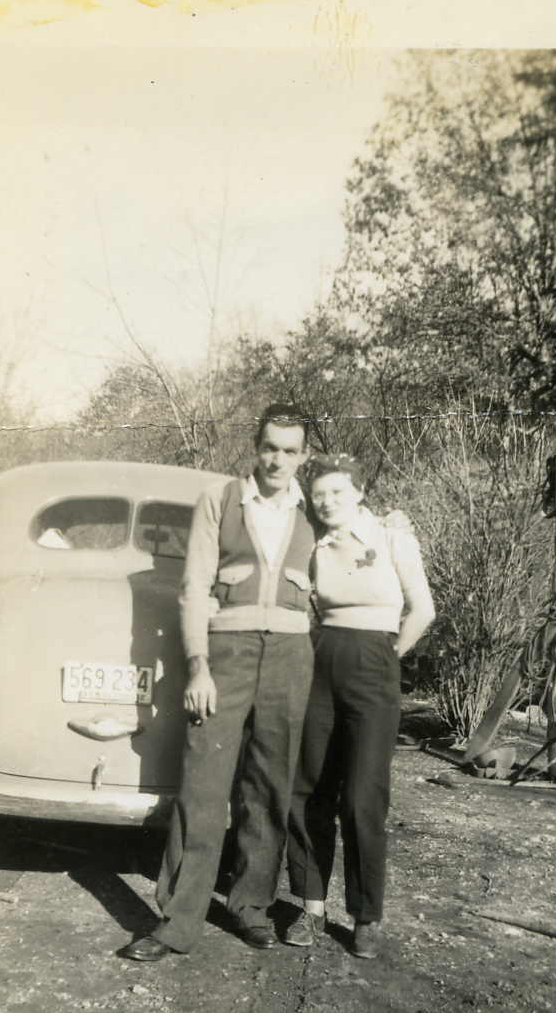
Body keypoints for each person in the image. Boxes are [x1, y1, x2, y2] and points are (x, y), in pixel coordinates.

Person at [123, 404, 315, 961]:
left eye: (289, 451)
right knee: (203, 786)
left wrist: (391, 528)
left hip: (290, 657)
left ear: (303, 456)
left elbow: (355, 551)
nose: (277, 460)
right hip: (226, 654)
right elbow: (194, 587)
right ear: (256, 447)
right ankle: (177, 921)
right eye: (269, 447)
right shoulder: (220, 499)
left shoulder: (314, 511)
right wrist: (199, 665)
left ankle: (250, 907)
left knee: (269, 787)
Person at [284, 454, 435, 960]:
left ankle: (365, 916)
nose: (328, 502)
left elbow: (423, 609)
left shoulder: (392, 537)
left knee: (363, 795)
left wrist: (389, 657)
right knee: (310, 788)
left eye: (338, 492)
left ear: (359, 493)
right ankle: (311, 908)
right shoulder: (314, 543)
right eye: (320, 495)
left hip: (375, 661)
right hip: (321, 661)